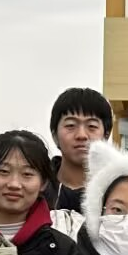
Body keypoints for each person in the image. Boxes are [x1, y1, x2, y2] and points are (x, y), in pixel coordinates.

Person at [49, 88, 114, 220]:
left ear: (106, 136)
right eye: (70, 125)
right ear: (55, 135)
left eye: (92, 126)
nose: (81, 135)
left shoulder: (119, 190)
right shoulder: (36, 188)